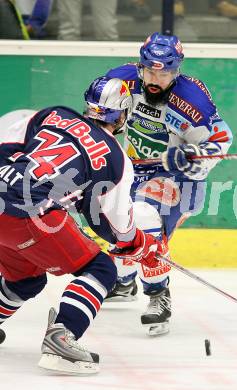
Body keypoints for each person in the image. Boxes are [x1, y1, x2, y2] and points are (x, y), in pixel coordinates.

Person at [0, 77, 163, 374]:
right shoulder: (115, 157)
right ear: (123, 113)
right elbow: (113, 225)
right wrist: (138, 243)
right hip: (29, 212)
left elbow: (7, 146)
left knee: (25, 279)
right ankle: (62, 337)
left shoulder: (54, 113)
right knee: (101, 269)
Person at [103, 32, 233, 336]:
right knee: (117, 228)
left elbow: (221, 140)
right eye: (149, 70)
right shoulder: (121, 82)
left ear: (177, 71)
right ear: (140, 65)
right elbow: (100, 115)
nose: (155, 78)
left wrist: (192, 156)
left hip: (177, 180)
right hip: (132, 170)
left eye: (163, 73)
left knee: (145, 221)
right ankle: (124, 282)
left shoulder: (192, 100)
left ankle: (159, 295)